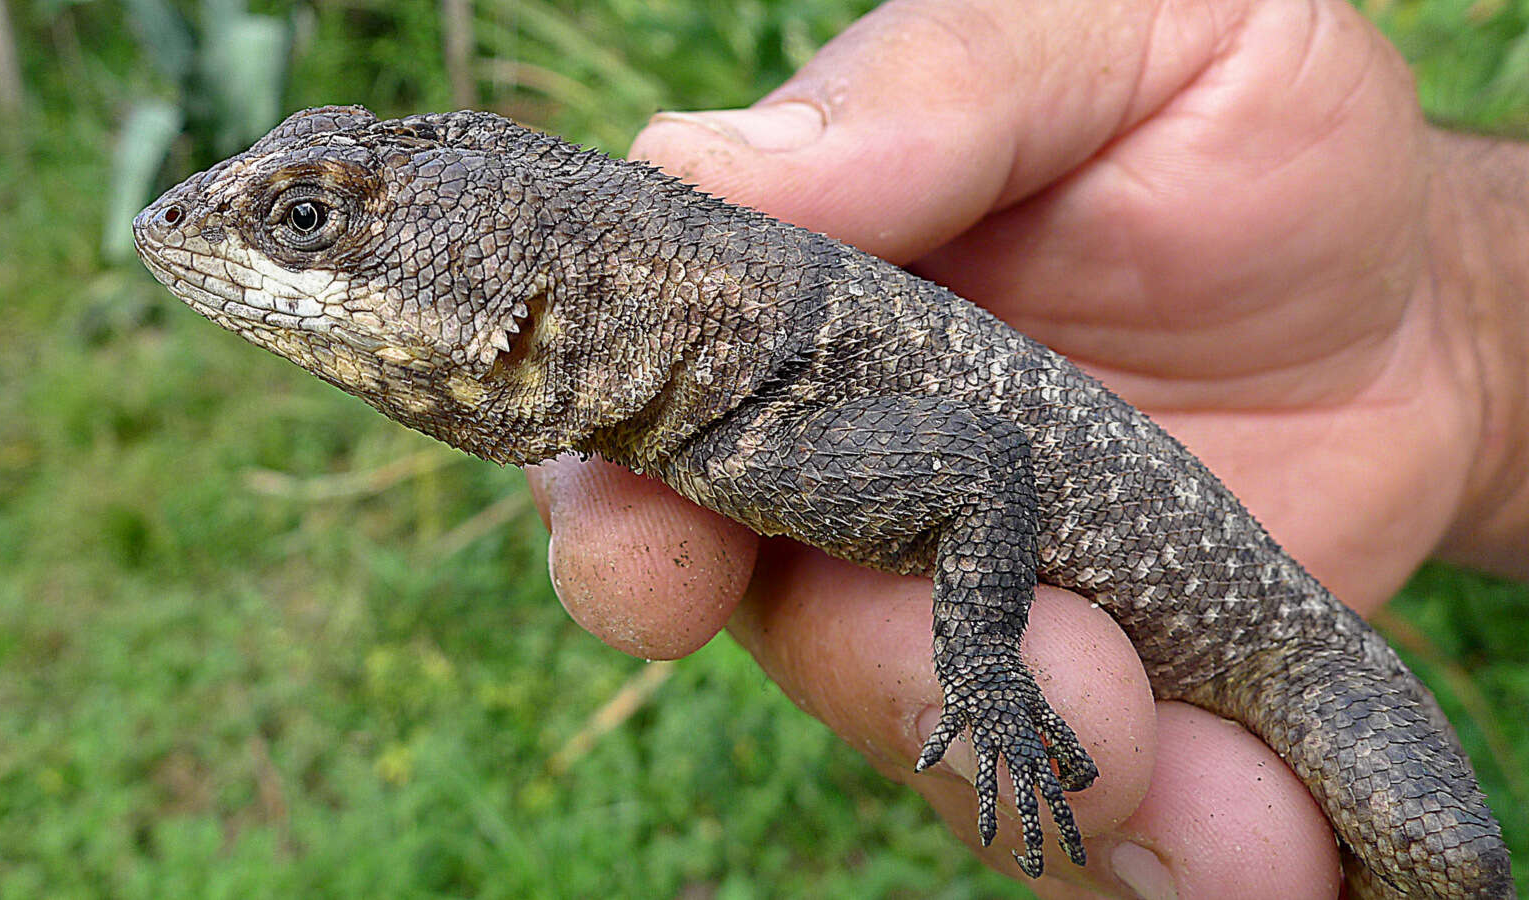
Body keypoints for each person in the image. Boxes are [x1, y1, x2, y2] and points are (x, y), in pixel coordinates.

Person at [525, 0, 1529, 896]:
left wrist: (981, 669)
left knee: (1446, 862)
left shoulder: (727, 403)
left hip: (1293, 663)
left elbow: (975, 470)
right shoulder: (709, 406)